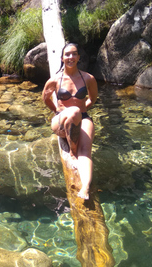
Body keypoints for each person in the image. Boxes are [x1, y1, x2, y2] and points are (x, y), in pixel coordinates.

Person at [42, 43, 98, 199]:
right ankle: (72, 154)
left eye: (74, 54)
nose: (71, 57)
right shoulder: (54, 80)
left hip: (83, 117)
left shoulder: (88, 78)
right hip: (61, 120)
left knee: (86, 150)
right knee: (73, 112)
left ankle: (85, 187)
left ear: (78, 57)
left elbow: (93, 98)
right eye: (67, 54)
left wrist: (83, 108)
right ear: (62, 58)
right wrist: (57, 111)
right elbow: (45, 98)